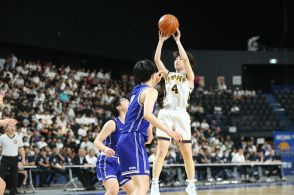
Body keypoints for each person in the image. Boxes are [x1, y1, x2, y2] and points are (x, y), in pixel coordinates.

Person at [116, 60, 182, 195]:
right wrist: (169, 131)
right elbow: (147, 114)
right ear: (153, 74)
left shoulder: (136, 90)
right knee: (142, 187)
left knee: (140, 187)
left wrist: (149, 131)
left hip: (128, 138)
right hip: (132, 138)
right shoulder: (151, 91)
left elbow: (142, 113)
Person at [151, 29, 197, 195]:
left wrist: (178, 41)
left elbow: (185, 58)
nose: (178, 60)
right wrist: (161, 41)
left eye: (180, 59)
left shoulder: (189, 78)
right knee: (162, 150)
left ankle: (191, 184)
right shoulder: (168, 75)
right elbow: (157, 59)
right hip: (167, 113)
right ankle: (155, 184)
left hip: (182, 115)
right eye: (176, 59)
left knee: (187, 154)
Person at [94, 96, 133, 195]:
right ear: (118, 107)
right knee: (113, 190)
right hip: (108, 161)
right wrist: (105, 148)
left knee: (135, 191)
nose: (127, 100)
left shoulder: (130, 124)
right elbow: (97, 141)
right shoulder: (112, 123)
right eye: (123, 100)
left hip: (122, 163)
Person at [0, 124, 25, 195]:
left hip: (14, 159)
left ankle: (13, 191)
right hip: (5, 159)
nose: (12, 128)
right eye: (10, 126)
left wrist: (23, 159)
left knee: (15, 176)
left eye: (14, 127)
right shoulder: (2, 137)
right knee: (1, 175)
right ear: (6, 128)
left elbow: (21, 149)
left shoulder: (18, 137)